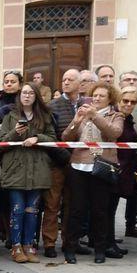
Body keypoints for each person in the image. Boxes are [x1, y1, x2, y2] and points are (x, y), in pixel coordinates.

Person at [62, 82, 124, 264]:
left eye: (101, 96)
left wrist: (95, 116)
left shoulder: (116, 115)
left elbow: (114, 133)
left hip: (101, 168)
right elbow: (66, 137)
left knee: (100, 211)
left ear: (110, 99)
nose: (96, 99)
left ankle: (100, 250)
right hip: (79, 167)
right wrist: (77, 121)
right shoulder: (82, 113)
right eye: (94, 95)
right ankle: (70, 249)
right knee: (76, 210)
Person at [0, 84, 54, 263]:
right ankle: (16, 246)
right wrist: (16, 133)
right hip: (15, 169)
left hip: (38, 170)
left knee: (33, 211)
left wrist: (38, 138)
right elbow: (2, 142)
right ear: (19, 96)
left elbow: (53, 139)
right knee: (18, 210)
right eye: (24, 93)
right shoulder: (10, 116)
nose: (27, 96)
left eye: (31, 93)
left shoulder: (45, 116)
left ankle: (29, 245)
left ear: (36, 96)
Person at [41, 68, 79, 257]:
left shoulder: (85, 105)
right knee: (52, 205)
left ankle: (69, 242)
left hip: (79, 163)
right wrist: (66, 156)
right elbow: (49, 137)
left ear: (79, 83)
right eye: (64, 79)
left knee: (72, 206)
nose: (66, 82)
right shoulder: (53, 106)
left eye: (71, 79)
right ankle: (49, 243)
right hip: (57, 162)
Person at [110, 90, 137, 256]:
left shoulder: (129, 120)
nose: (128, 104)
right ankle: (107, 243)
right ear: (118, 101)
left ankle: (110, 241)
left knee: (112, 208)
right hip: (113, 169)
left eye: (132, 102)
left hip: (125, 170)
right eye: (125, 100)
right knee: (108, 209)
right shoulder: (114, 117)